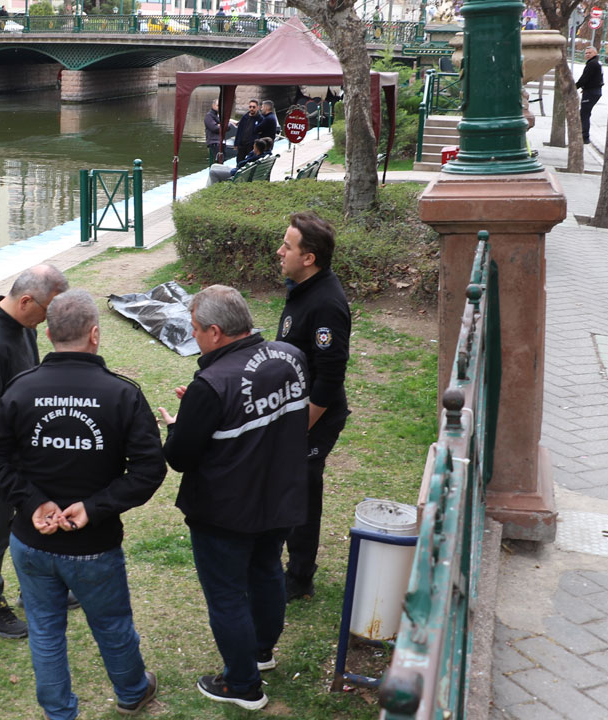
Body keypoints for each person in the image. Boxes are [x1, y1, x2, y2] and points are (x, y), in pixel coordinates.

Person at [0, 290, 166, 720]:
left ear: (47, 334)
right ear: (95, 334)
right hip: (93, 545)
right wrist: (92, 507)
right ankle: (132, 691)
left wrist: (33, 503)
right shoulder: (121, 394)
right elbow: (150, 470)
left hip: (32, 540)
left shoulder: (22, 389)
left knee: (45, 630)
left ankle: (59, 712)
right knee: (111, 625)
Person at [158, 285, 309, 711]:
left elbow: (180, 457)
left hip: (225, 511)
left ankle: (243, 684)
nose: (193, 336)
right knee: (266, 570)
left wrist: (179, 424)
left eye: (195, 328)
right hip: (279, 496)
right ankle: (261, 651)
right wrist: (201, 412)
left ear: (215, 332)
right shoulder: (290, 357)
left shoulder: (211, 383)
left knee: (226, 595)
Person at [0, 264, 70, 639]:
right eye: (47, 311)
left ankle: (32, 590)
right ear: (25, 301)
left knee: (28, 521)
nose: (48, 320)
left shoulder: (25, 326)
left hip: (20, 452)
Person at [275, 212, 351, 602]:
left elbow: (330, 376)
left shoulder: (326, 304)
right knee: (285, 485)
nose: (280, 251)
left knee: (303, 489)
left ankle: (300, 576)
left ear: (309, 258)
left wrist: (302, 425)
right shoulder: (302, 289)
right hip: (292, 413)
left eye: (287, 246)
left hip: (314, 417)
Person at [575, 46, 602, 145]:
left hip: (591, 92)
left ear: (595, 53)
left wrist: (574, 87)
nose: (587, 55)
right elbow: (593, 79)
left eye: (589, 53)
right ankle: (583, 136)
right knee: (585, 113)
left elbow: (584, 78)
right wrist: (585, 87)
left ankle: (584, 137)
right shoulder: (596, 63)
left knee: (584, 114)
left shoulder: (592, 64)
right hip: (593, 91)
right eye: (586, 53)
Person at [235, 98, 261, 165]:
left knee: (251, 163)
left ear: (257, 108)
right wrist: (236, 143)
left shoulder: (260, 119)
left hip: (252, 145)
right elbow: (239, 131)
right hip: (242, 145)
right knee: (239, 162)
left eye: (254, 107)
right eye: (250, 107)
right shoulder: (245, 117)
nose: (251, 109)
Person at [204, 99, 224, 165]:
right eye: (218, 105)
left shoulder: (218, 116)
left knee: (221, 160)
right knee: (218, 161)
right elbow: (214, 128)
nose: (219, 107)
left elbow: (227, 126)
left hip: (220, 142)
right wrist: (221, 126)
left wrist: (221, 125)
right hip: (213, 143)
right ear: (213, 105)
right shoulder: (209, 116)